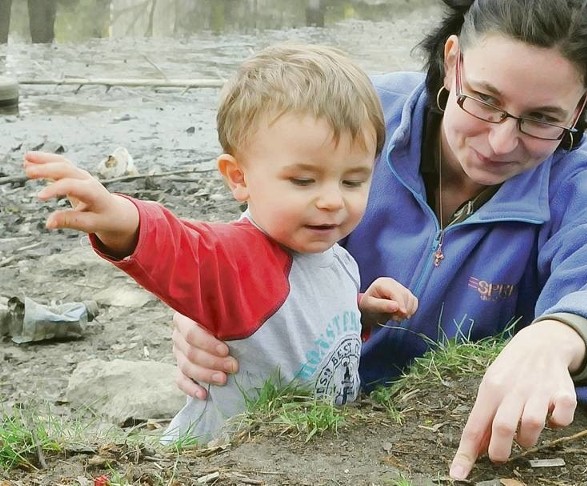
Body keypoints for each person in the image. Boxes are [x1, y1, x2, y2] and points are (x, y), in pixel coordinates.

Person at [170, 0, 587, 479]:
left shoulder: (578, 185)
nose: (500, 142)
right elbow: (257, 229)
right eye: (485, 99)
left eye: (542, 118)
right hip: (289, 406)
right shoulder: (357, 117)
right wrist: (205, 308)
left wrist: (558, 337)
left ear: (581, 105)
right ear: (454, 60)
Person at [23, 44, 418, 444]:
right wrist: (120, 217)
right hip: (215, 455)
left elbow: (310, 319)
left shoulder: (338, 258)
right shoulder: (240, 259)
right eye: (303, 180)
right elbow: (181, 248)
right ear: (238, 177)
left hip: (300, 452)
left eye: (353, 181)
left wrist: (364, 312)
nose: (333, 199)